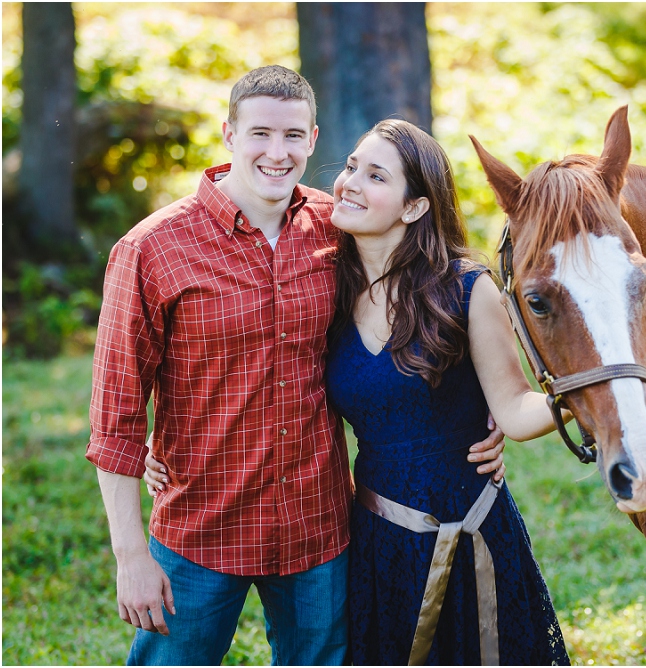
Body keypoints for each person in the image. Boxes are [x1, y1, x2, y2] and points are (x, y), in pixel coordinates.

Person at [87, 65, 505, 666]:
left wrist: (487, 411)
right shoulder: (152, 249)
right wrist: (130, 555)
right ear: (228, 134)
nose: (276, 153)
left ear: (312, 140)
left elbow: (425, 292)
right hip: (202, 528)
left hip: (318, 530)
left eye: (293, 136)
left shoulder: (339, 229)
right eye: (260, 133)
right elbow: (115, 418)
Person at [324, 119, 569, 665]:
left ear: (414, 208)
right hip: (379, 542)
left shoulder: (465, 289)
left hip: (470, 537)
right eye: (350, 167)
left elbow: (515, 409)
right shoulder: (328, 289)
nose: (350, 183)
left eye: (376, 175)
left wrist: (587, 391)